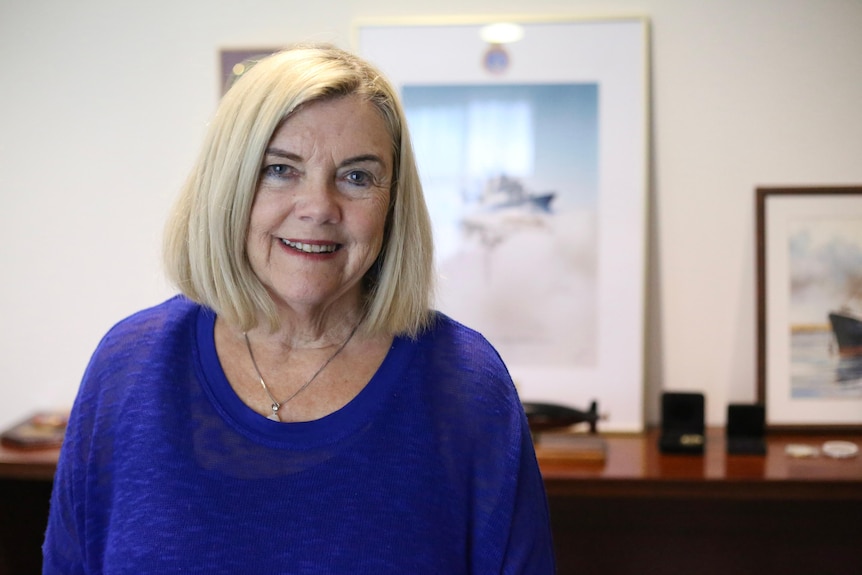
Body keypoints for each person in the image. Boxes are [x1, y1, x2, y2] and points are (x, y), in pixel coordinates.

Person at [43, 44, 556, 574]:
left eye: (357, 177)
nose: (318, 208)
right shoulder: (126, 368)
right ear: (229, 185)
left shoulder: (467, 385)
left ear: (392, 203)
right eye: (280, 170)